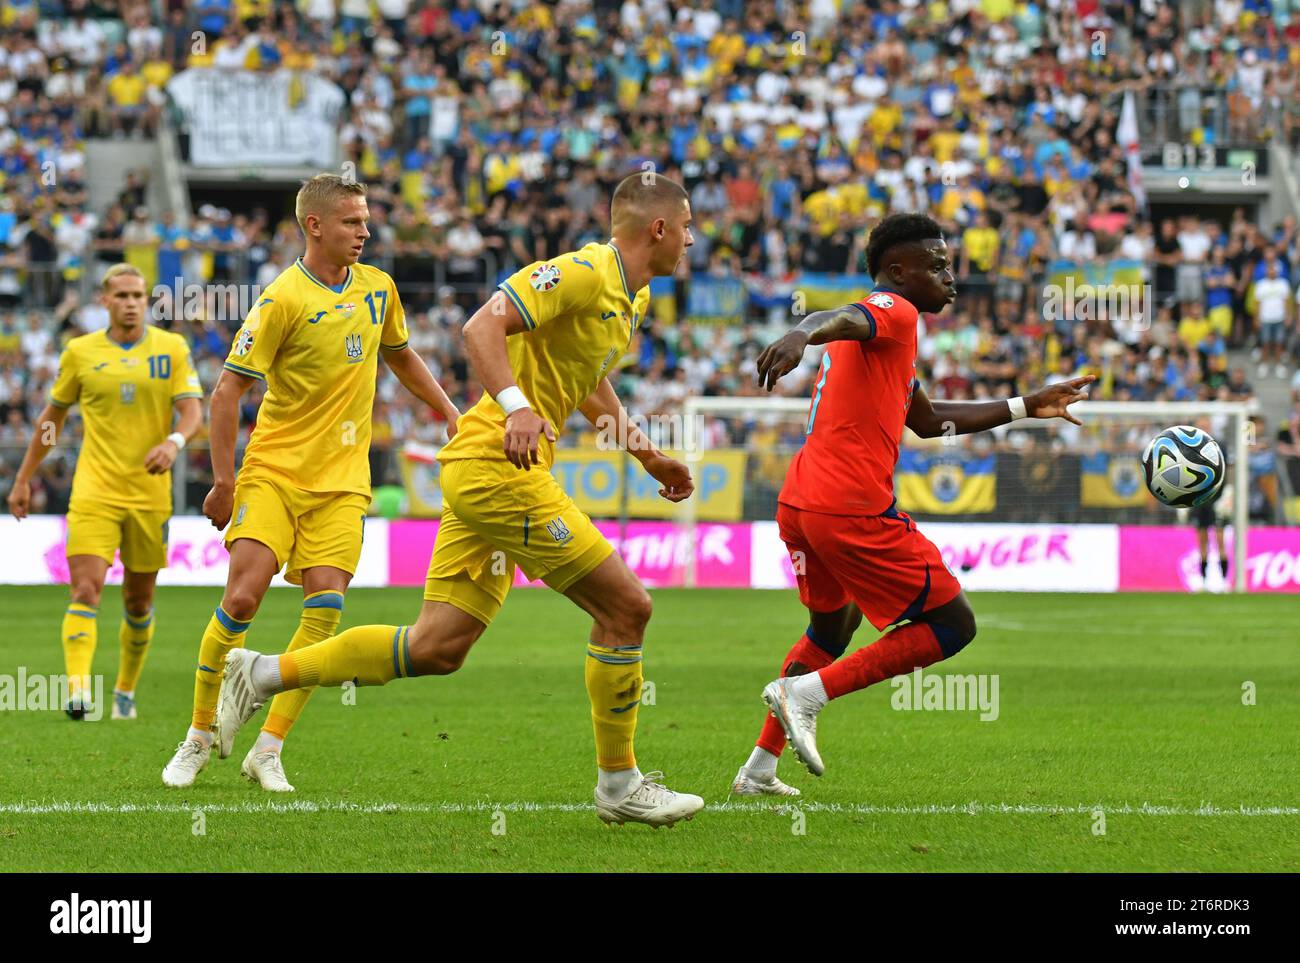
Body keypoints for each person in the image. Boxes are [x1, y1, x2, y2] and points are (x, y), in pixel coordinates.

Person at [213, 173, 706, 827]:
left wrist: (645, 453)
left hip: (492, 472)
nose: (696, 239)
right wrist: (517, 406)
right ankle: (620, 783)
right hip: (498, 470)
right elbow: (482, 327)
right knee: (627, 607)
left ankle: (261, 671)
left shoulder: (632, 298)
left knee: (437, 647)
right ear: (660, 228)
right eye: (690, 225)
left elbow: (588, 380)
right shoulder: (585, 271)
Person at [736, 213, 1093, 787]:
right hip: (849, 506)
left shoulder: (887, 341)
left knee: (830, 630)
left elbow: (927, 422)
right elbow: (842, 316)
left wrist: (1028, 405)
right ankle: (808, 694)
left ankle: (759, 766)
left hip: (801, 503)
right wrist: (803, 330)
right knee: (953, 625)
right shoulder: (892, 312)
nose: (950, 276)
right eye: (939, 265)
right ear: (898, 272)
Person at [161, 174, 460, 791]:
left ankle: (267, 748)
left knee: (325, 605)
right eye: (353, 222)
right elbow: (226, 393)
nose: (366, 232)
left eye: (366, 220)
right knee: (243, 597)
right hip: (274, 470)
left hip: (345, 479)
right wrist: (222, 482)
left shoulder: (379, 289)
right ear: (315, 226)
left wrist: (450, 412)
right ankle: (196, 735)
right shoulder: (280, 300)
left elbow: (400, 354)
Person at [7, 264, 203, 720]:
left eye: (138, 295)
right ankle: (77, 691)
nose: (132, 302)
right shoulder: (79, 352)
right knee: (86, 589)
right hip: (94, 490)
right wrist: (24, 477)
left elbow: (192, 413)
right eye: (122, 295)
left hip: (150, 495)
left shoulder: (172, 348)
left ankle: (125, 691)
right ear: (105, 301)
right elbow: (52, 422)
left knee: (139, 601)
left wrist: (174, 443)